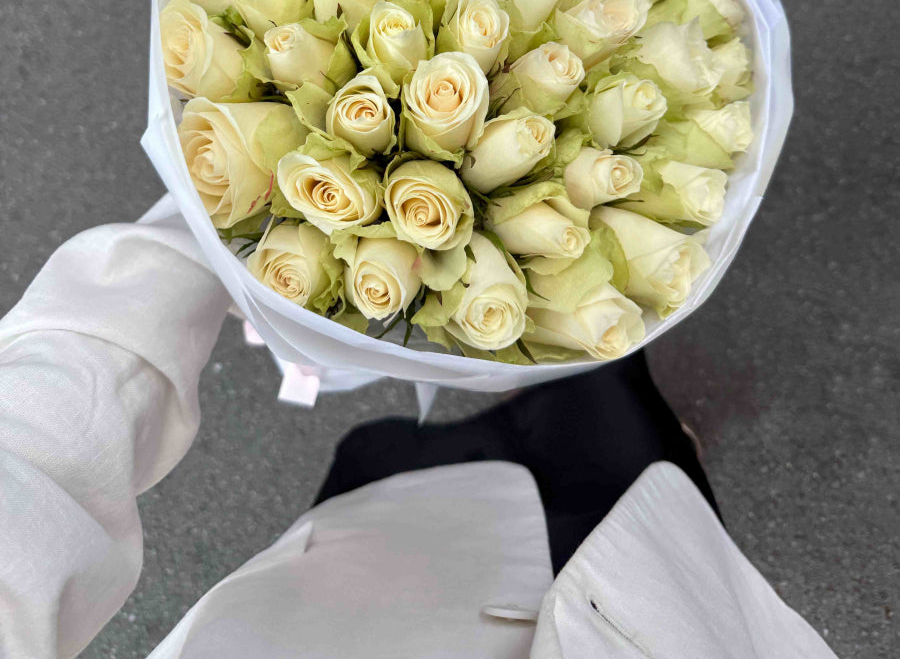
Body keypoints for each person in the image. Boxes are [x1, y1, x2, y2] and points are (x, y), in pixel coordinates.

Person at [0, 201, 836, 659]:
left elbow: (36, 470)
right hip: (631, 631)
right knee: (639, 494)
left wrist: (236, 216)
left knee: (419, 475)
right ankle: (658, 454)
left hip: (347, 606)